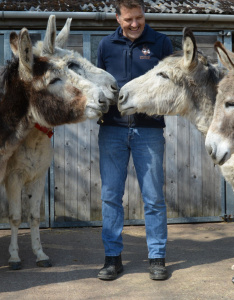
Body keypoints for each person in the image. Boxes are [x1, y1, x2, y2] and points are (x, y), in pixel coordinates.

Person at [96, 0, 173, 281]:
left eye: (138, 18)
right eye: (128, 19)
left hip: (149, 130)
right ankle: (112, 259)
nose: (134, 24)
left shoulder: (161, 43)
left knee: (153, 197)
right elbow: (100, 87)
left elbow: (170, 85)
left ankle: (157, 258)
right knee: (110, 197)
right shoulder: (106, 46)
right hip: (112, 129)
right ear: (118, 18)